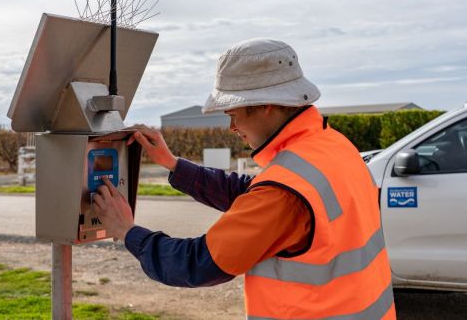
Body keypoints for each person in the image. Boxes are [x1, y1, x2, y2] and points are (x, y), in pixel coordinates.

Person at [93, 38, 396, 319]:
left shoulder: (284, 192)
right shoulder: (333, 147)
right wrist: (173, 164)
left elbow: (196, 263)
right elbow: (250, 193)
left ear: (265, 106)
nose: (231, 127)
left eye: (233, 114)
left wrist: (127, 230)